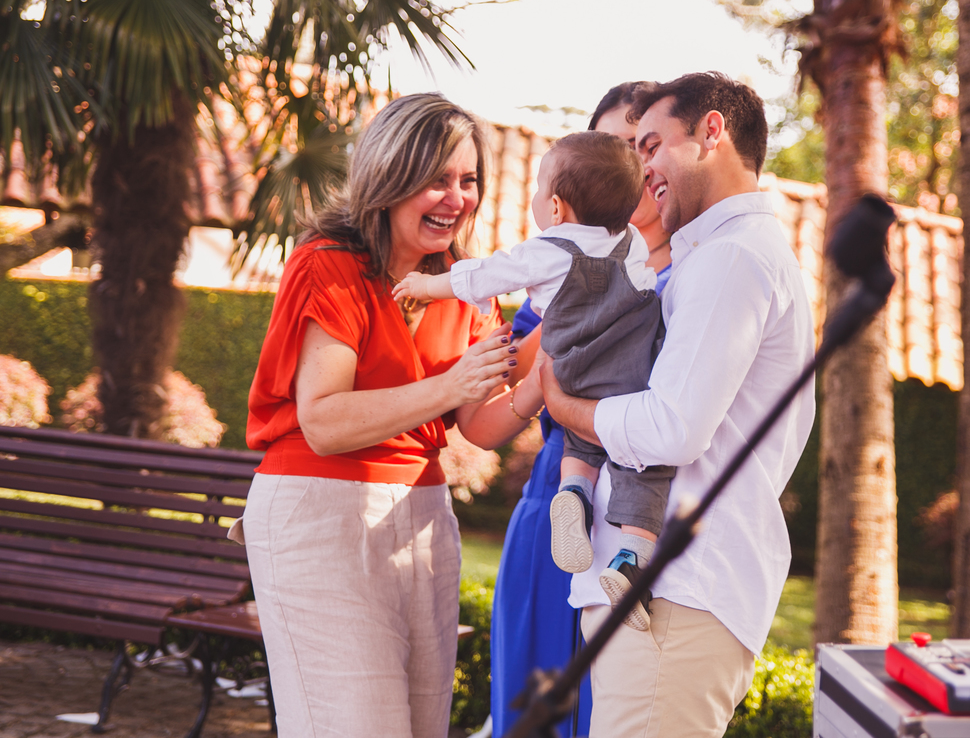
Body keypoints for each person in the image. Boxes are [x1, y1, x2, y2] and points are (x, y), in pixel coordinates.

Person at [236, 93, 545, 738]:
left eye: (468, 182)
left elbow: (479, 424)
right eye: (437, 179)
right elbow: (322, 421)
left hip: (425, 521)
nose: (456, 199)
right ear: (390, 176)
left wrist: (556, 340)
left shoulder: (466, 284)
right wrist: (449, 386)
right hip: (321, 514)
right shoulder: (331, 264)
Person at [543, 72, 816, 738]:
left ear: (713, 132)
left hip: (674, 601)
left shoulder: (730, 260)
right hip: (662, 600)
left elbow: (672, 431)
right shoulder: (719, 257)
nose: (641, 168)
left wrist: (564, 403)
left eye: (653, 144)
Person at [392, 130, 674, 632]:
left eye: (540, 188)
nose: (535, 198)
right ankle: (631, 558)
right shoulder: (630, 242)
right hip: (633, 372)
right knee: (643, 465)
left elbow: (481, 275)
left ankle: (572, 494)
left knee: (578, 437)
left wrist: (426, 286)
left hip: (573, 369)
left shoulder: (549, 247)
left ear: (559, 208)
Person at [486, 82, 671, 738]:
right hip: (555, 503)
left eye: (637, 150)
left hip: (641, 525)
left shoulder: (686, 276)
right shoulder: (552, 284)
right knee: (530, 709)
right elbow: (492, 412)